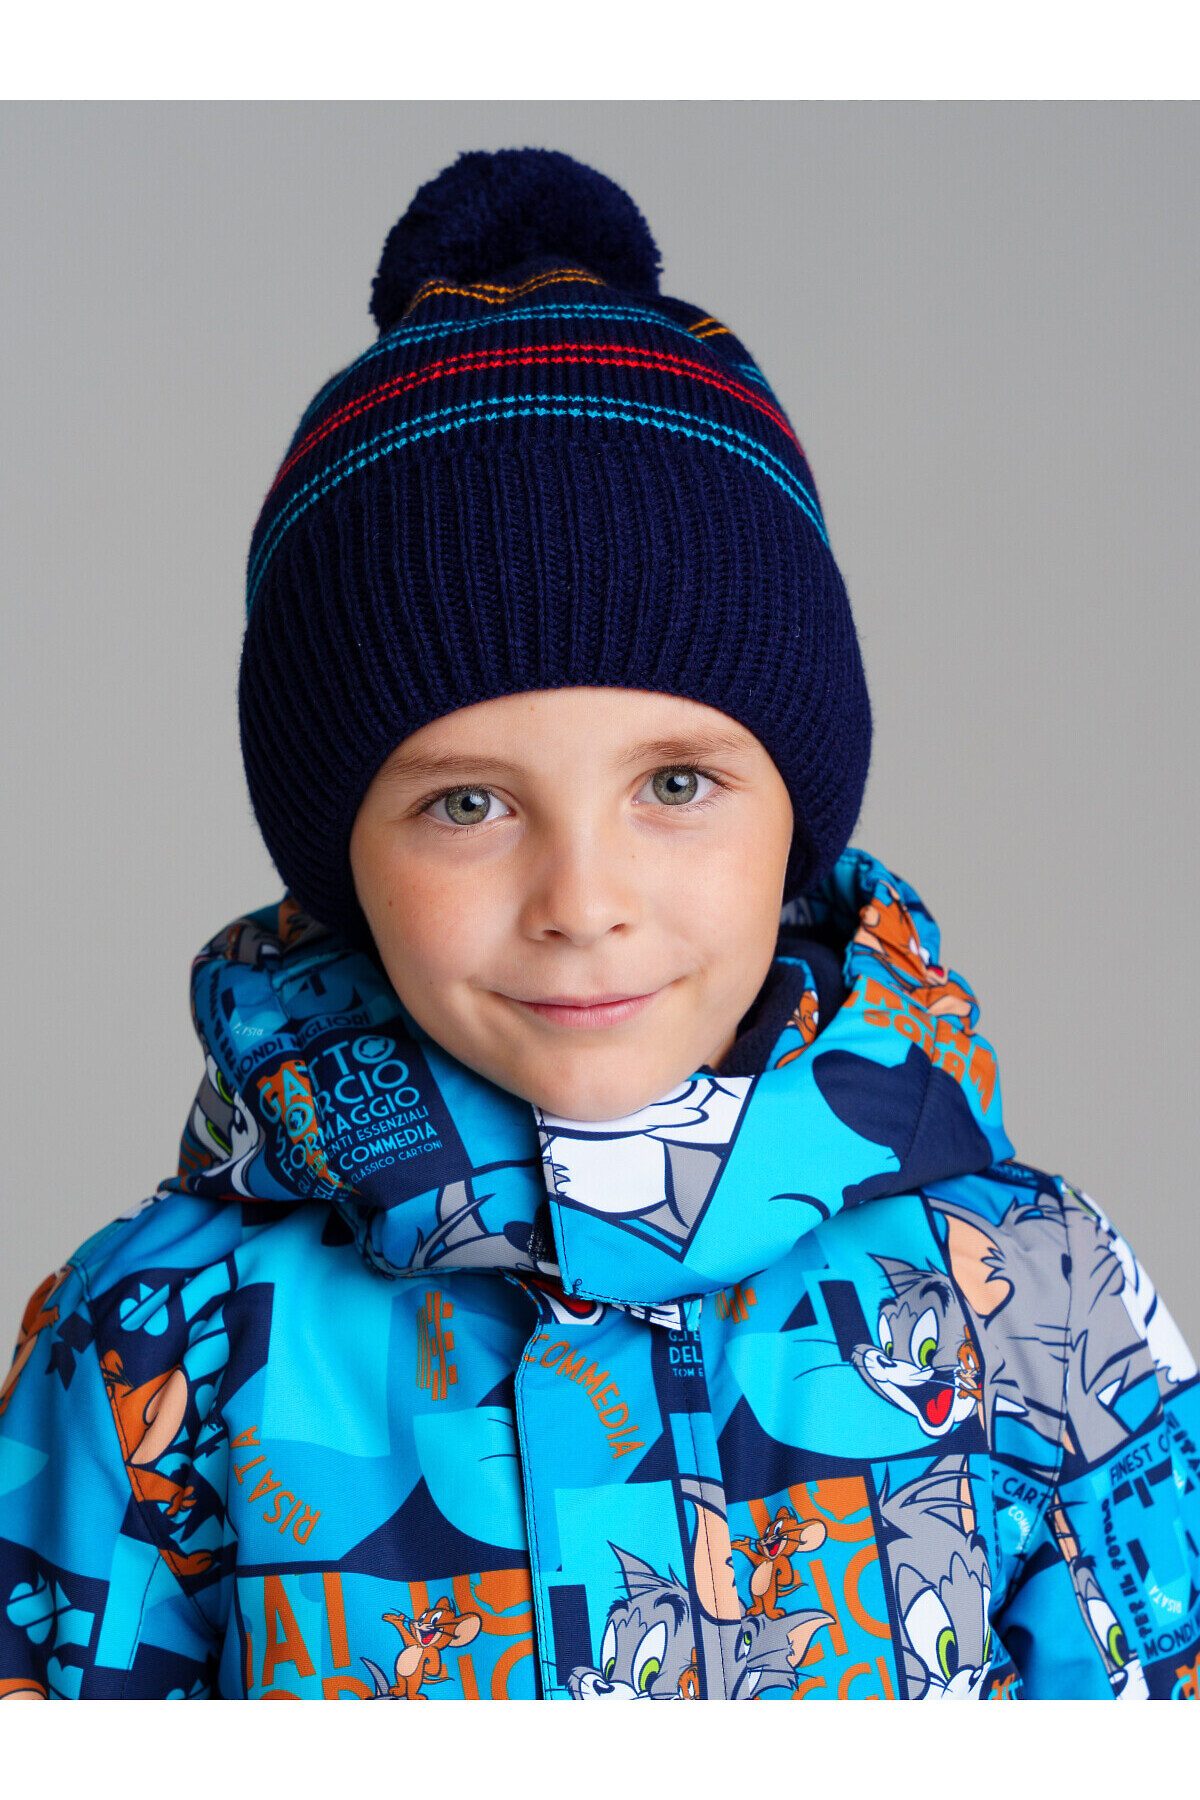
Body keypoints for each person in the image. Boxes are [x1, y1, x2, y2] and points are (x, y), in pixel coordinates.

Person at [1, 145, 1197, 1703]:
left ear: (799, 816)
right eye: (467, 804)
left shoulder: (1029, 1296)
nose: (581, 902)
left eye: (675, 784)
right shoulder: (158, 1350)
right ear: (337, 855)